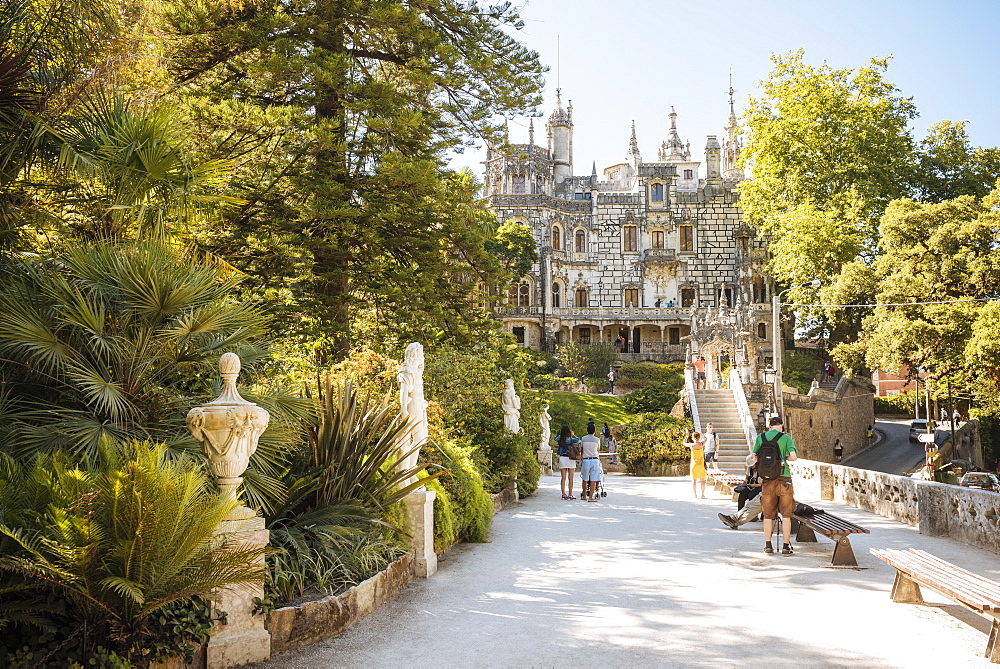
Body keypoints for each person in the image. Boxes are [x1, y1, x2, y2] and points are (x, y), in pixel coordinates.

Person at [753, 416, 798, 555]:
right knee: (786, 514)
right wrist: (782, 458)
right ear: (781, 426)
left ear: (769, 426)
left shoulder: (761, 437)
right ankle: (785, 546)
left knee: (767, 515)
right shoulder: (786, 438)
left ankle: (768, 546)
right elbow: (794, 457)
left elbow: (754, 457)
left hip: (767, 479)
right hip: (784, 478)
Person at [718, 454, 763, 529]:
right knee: (749, 504)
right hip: (760, 492)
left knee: (752, 509)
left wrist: (753, 485)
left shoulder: (762, 470)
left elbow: (761, 483)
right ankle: (733, 517)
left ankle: (735, 522)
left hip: (761, 492)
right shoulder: (752, 469)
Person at [556, 425, 580, 500]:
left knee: (563, 478)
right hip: (570, 459)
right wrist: (572, 434)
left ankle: (563, 494)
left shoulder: (560, 439)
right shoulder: (570, 439)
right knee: (571, 478)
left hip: (562, 458)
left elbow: (555, 438)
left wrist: (561, 435)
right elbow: (578, 439)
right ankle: (570, 494)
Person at [580, 423, 602, 502]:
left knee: (585, 478)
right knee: (593, 479)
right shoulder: (597, 440)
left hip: (586, 459)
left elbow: (581, 450)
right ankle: (591, 497)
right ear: (594, 431)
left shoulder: (583, 439)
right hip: (594, 459)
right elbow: (598, 450)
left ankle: (584, 495)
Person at [685, 429, 707, 498]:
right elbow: (705, 438)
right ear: (699, 437)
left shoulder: (691, 445)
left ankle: (695, 494)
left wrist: (686, 436)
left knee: (694, 480)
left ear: (692, 438)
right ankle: (702, 494)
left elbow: (684, 443)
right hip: (701, 465)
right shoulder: (701, 444)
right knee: (702, 481)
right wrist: (702, 434)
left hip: (694, 465)